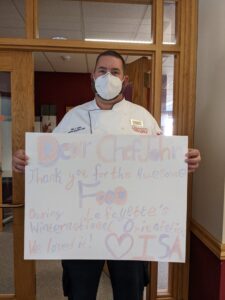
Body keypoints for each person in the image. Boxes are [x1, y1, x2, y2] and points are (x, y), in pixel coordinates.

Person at [12, 50, 201, 300]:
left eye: (115, 72)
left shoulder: (142, 117)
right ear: (92, 76)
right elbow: (48, 162)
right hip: (80, 226)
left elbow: (163, 166)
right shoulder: (73, 118)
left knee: (130, 293)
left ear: (125, 80)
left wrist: (183, 161)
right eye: (102, 71)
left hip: (130, 227)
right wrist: (26, 161)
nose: (107, 76)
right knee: (80, 292)